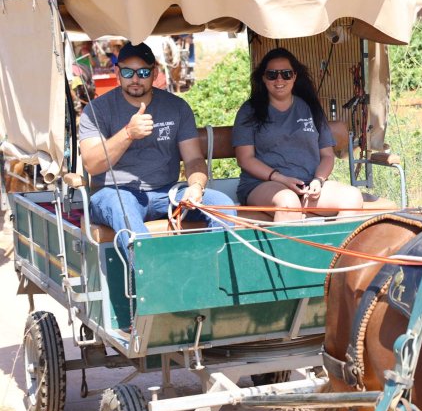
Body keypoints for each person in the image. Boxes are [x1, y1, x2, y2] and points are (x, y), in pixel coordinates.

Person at [78, 42, 236, 258]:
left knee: (222, 204)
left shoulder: (176, 107)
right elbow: (92, 164)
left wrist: (196, 186)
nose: (135, 79)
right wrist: (128, 133)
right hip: (115, 193)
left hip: (167, 192)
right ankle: (153, 283)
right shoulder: (97, 109)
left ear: (154, 73)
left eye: (143, 72)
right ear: (117, 72)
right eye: (127, 72)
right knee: (123, 208)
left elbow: (194, 160)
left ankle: (211, 273)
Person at [232, 47, 363, 221]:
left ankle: (335, 248)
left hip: (308, 185)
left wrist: (318, 180)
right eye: (272, 75)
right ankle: (285, 249)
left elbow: (327, 156)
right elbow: (245, 159)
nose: (279, 79)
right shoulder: (249, 110)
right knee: (288, 202)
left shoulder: (311, 108)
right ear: (263, 78)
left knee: (353, 197)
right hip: (264, 185)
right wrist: (281, 179)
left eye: (286, 74)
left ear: (294, 77)